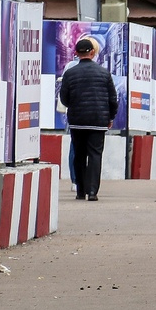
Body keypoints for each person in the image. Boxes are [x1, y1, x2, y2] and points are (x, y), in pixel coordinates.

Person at [59, 36, 119, 201]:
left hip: (77, 121)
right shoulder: (104, 73)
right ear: (92, 53)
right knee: (95, 155)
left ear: (76, 53)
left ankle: (80, 191)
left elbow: (64, 99)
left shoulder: (70, 74)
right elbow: (113, 99)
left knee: (79, 154)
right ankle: (92, 192)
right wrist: (110, 117)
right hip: (98, 121)